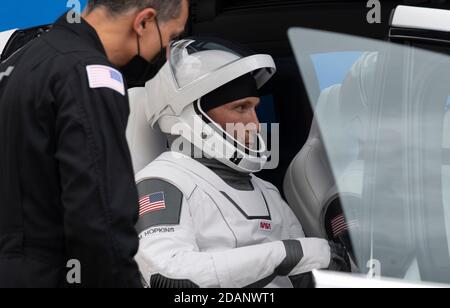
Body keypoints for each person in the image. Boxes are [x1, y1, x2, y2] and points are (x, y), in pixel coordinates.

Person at [0, 0, 188, 288]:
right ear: (144, 22)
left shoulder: (23, 59)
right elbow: (98, 216)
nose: (164, 53)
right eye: (171, 37)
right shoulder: (91, 74)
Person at [134, 39, 350, 288]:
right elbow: (168, 274)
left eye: (255, 108)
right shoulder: (162, 182)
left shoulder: (266, 191)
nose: (255, 124)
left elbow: (303, 266)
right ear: (193, 115)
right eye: (240, 108)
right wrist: (284, 254)